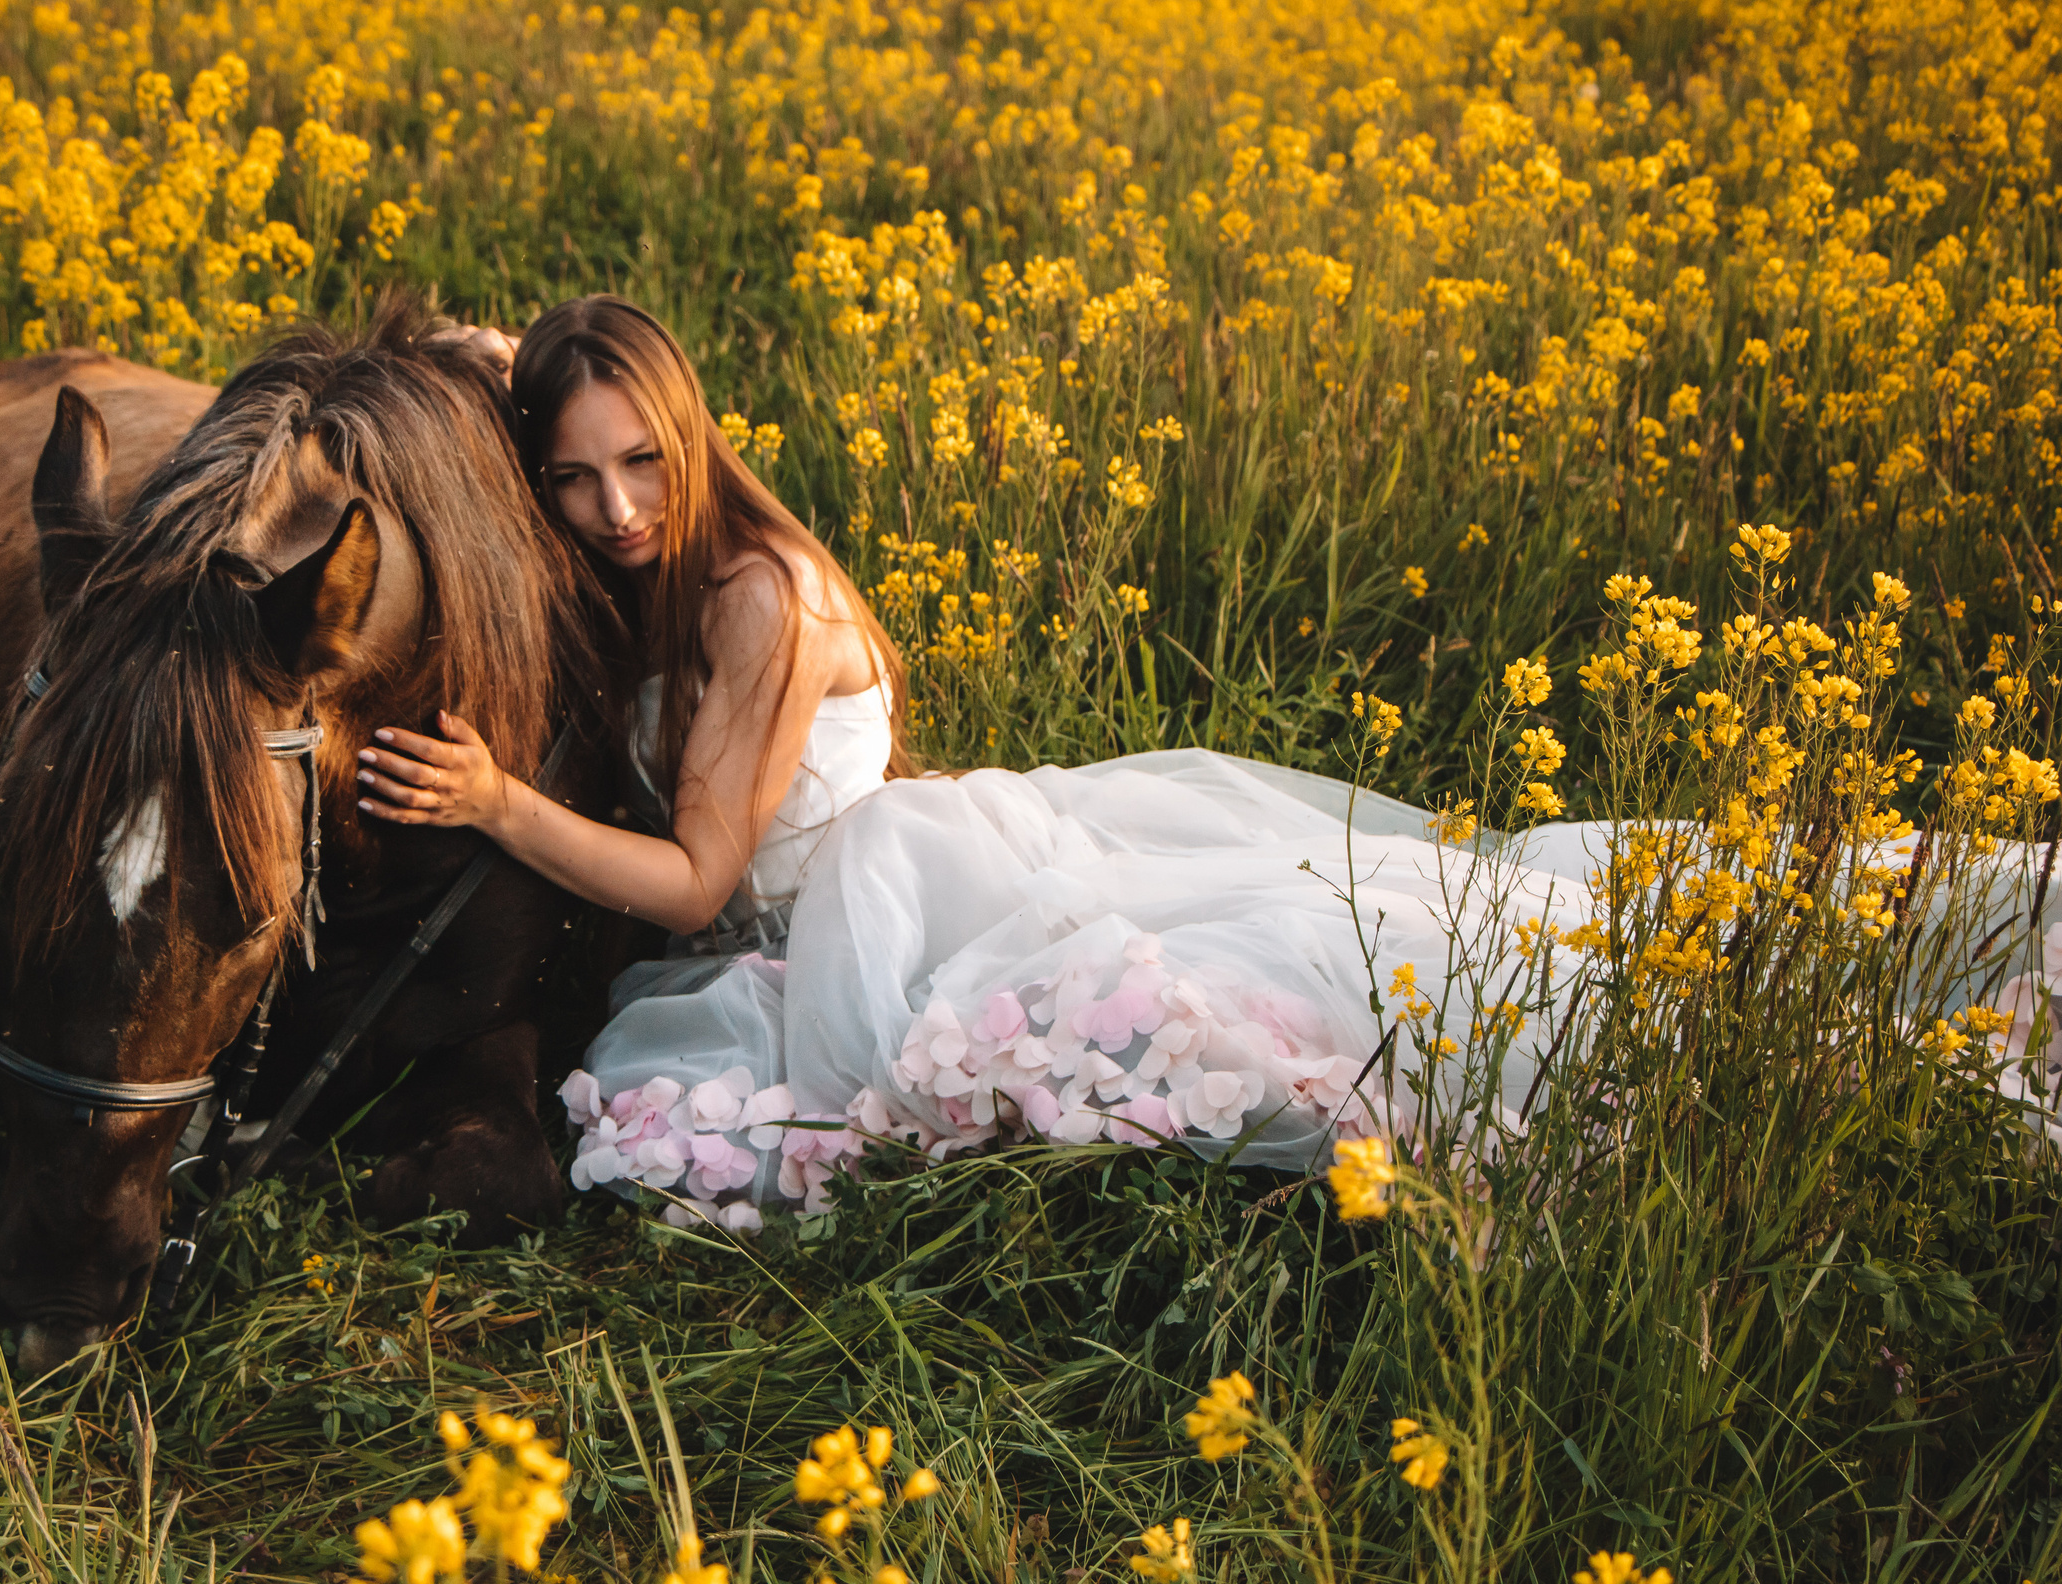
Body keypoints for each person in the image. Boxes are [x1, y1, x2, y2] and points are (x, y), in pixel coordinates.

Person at [356, 295, 1579, 1229]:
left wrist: (497, 803)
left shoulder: (758, 598)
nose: (615, 510)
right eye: (571, 479)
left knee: (1135, 1045)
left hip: (859, 919)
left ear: (688, 437)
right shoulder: (651, 575)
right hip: (764, 935)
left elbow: (688, 881)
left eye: (641, 463)